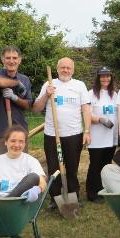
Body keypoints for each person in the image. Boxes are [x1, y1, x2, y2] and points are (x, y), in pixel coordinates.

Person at [32, 57, 91, 211]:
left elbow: (86, 109)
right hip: (52, 134)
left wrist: (87, 131)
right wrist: (46, 94)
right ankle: (55, 198)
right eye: (62, 67)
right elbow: (36, 108)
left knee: (72, 167)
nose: (65, 70)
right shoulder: (49, 84)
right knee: (53, 167)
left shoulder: (79, 85)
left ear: (73, 70)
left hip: (74, 134)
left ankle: (73, 196)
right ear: (57, 69)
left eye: (68, 68)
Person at [0, 46, 33, 157]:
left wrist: (15, 98)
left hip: (20, 131)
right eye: (8, 58)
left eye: (14, 58)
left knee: (20, 167)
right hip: (0, 132)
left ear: (19, 60)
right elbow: (0, 83)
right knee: (0, 168)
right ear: (2, 60)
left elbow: (28, 105)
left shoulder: (25, 79)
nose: (11, 61)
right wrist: (16, 84)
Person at [86, 67, 118, 203]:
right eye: (102, 76)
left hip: (111, 138)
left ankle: (104, 189)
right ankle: (92, 193)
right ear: (98, 78)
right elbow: (87, 114)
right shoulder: (91, 94)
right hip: (97, 138)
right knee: (95, 165)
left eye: (108, 76)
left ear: (111, 78)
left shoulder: (114, 95)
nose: (105, 79)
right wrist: (100, 119)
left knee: (106, 165)